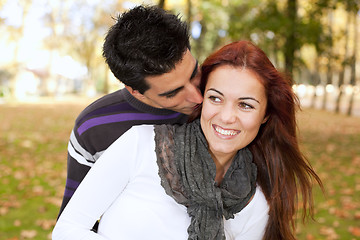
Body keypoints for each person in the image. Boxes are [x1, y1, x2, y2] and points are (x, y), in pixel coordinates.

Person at [52, 40, 322, 240]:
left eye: (246, 105)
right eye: (216, 98)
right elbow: (67, 229)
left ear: (265, 115)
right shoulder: (139, 145)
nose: (227, 117)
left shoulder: (257, 201)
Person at [57, 5, 203, 219]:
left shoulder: (224, 103)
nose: (198, 97)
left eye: (194, 73)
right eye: (173, 93)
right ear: (135, 91)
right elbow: (75, 222)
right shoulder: (93, 128)